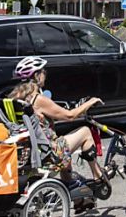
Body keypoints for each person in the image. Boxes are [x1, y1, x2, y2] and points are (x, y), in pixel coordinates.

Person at [8, 56, 105, 186]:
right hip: (48, 152)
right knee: (86, 132)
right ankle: (98, 176)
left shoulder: (15, 98)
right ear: (37, 76)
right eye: (43, 72)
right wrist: (90, 102)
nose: (45, 75)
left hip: (28, 151)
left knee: (63, 140)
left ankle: (73, 191)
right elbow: (70, 116)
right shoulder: (38, 99)